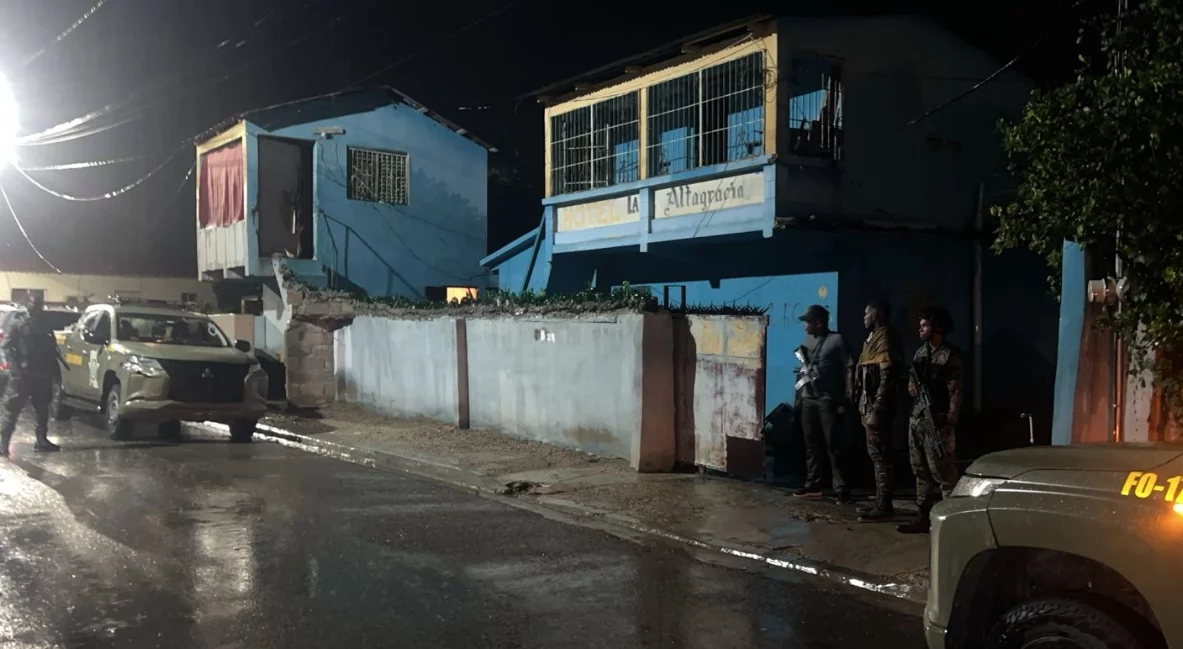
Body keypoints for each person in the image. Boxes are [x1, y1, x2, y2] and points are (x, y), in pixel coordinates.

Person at [898, 308, 963, 534]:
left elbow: (955, 390)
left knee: (944, 473)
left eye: (925, 325)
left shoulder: (950, 356)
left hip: (938, 421)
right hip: (918, 419)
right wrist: (912, 388)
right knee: (920, 470)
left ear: (938, 329)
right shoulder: (920, 353)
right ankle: (923, 515)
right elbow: (912, 384)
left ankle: (951, 521)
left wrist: (949, 418)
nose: (920, 329)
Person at [793, 304, 854, 503]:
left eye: (807, 322)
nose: (805, 326)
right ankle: (813, 483)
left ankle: (841, 487)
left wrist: (848, 393)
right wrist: (800, 397)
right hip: (809, 399)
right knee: (811, 442)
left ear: (818, 322)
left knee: (832, 443)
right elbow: (803, 370)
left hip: (828, 399)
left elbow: (849, 367)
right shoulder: (807, 341)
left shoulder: (837, 340)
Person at [853, 300, 904, 522]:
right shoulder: (871, 341)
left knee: (881, 455)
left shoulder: (886, 338)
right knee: (875, 454)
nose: (863, 317)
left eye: (867, 313)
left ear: (878, 315)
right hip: (868, 405)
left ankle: (884, 505)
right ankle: (880, 501)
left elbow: (888, 380)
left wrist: (877, 409)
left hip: (877, 408)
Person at [0, 295, 64, 455]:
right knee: (12, 409)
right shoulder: (18, 323)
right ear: (27, 304)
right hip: (23, 374)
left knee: (43, 409)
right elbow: (7, 347)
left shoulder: (45, 325)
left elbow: (52, 349)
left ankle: (41, 440)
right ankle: (3, 442)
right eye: (34, 304)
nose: (37, 307)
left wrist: (54, 371)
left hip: (42, 374)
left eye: (40, 304)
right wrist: (15, 369)